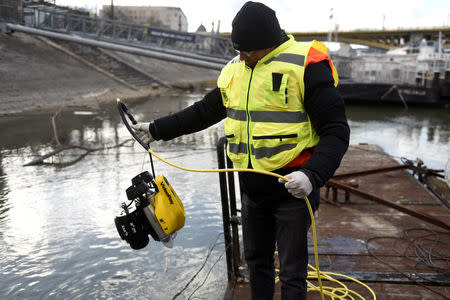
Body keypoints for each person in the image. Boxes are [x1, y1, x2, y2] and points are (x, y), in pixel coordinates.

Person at [132, 2, 349, 299]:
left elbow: (337, 131)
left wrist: (313, 175)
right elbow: (203, 112)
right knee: (257, 263)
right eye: (239, 51)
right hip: (251, 189)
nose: (243, 57)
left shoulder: (306, 64)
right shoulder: (235, 68)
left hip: (293, 189)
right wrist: (156, 130)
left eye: (248, 51)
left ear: (270, 43)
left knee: (292, 272)